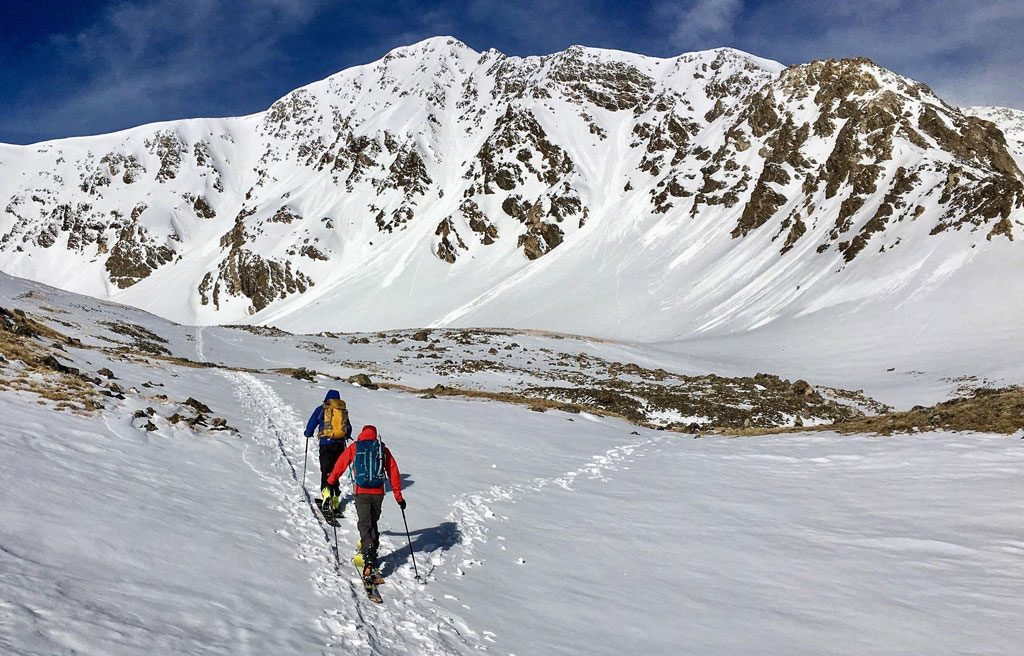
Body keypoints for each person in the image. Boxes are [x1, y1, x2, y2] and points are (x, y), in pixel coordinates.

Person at [326, 425, 405, 579]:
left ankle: (368, 554)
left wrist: (331, 480)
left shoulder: (356, 447)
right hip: (378, 493)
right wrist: (398, 497)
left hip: (361, 492)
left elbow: (341, 464)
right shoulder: (381, 449)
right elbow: (393, 471)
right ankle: (372, 551)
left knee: (364, 523)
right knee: (373, 522)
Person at [303, 389, 352, 518]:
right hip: (340, 445)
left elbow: (312, 423)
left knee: (326, 470)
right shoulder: (342, 411)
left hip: (326, 444)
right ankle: (335, 498)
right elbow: (348, 428)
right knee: (336, 471)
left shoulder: (322, 409)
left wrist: (308, 433)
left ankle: (326, 494)